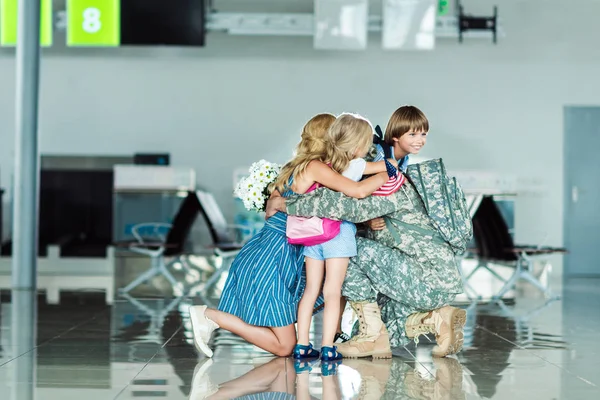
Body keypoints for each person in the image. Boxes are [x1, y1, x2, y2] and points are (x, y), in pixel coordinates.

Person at [266, 105, 469, 359]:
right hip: (429, 277)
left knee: (344, 249)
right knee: (385, 328)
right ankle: (437, 318)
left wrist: (287, 204)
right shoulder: (387, 172)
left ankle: (372, 335)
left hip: (425, 279)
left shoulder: (389, 181)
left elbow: (346, 205)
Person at [188, 113, 392, 358]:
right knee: (287, 343)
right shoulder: (316, 168)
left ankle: (332, 337)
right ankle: (210, 316)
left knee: (317, 299)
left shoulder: (293, 167)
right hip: (273, 257)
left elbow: (321, 208)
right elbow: (355, 192)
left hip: (271, 251)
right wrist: (388, 173)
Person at [293, 113, 398, 362]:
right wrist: (388, 170)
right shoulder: (358, 165)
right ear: (359, 146)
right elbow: (382, 170)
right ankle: (328, 346)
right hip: (338, 234)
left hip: (312, 235)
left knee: (310, 291)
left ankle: (302, 345)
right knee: (332, 291)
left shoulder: (320, 165)